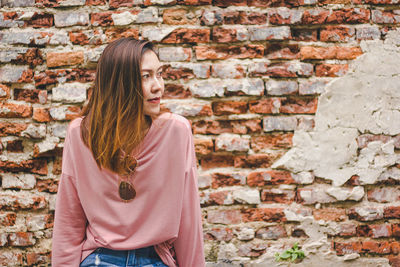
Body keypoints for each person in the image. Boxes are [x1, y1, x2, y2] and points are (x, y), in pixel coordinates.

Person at [51, 38, 205, 267]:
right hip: (99, 259)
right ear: (120, 83)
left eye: (160, 74)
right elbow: (69, 221)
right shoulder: (80, 134)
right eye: (146, 76)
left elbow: (188, 219)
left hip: (155, 259)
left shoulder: (176, 132)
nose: (158, 86)